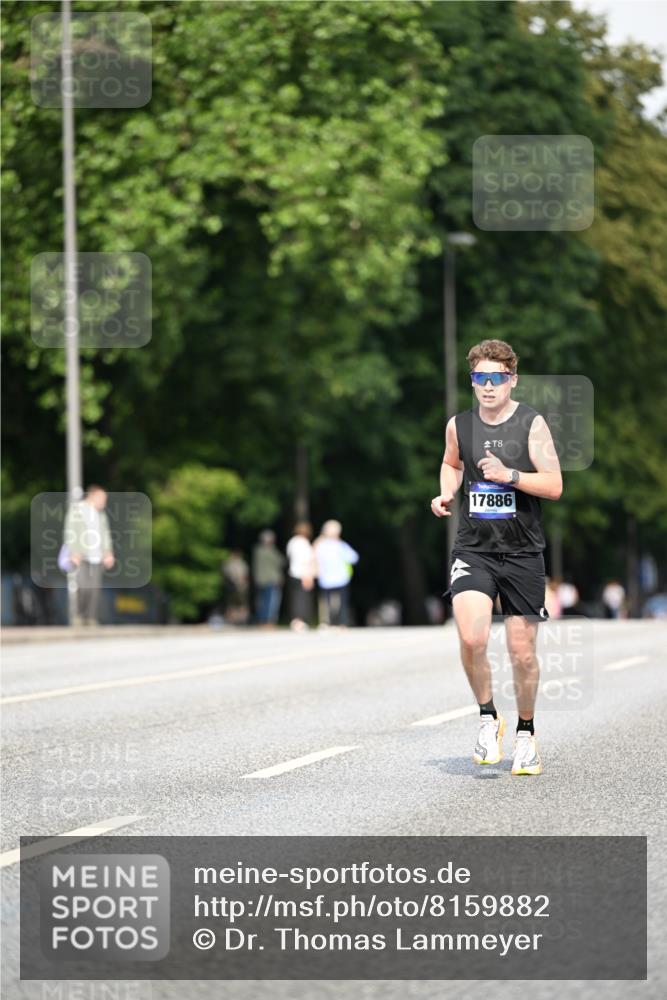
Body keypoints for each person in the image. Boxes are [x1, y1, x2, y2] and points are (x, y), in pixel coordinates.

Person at [431, 339, 562, 776]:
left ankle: (526, 732)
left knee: (521, 651)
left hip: (523, 551)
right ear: (472, 381)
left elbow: (554, 485)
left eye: (496, 378)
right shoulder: (459, 426)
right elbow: (451, 463)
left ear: (512, 379)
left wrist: (511, 476)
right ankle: (489, 718)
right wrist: (447, 491)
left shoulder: (531, 424)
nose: (487, 387)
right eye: (479, 379)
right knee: (472, 639)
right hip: (474, 548)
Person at [64, 484, 115, 626]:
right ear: (92, 496)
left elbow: (105, 534)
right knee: (83, 587)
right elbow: (70, 531)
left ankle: (91, 618)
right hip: (81, 555)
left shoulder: (101, 514)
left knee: (95, 588)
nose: (104, 502)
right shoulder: (77, 510)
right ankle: (79, 616)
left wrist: (108, 552)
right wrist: (73, 551)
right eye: (102, 499)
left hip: (97, 556)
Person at [313, 520, 359, 628]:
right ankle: (341, 623)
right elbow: (354, 558)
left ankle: (326, 622)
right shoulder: (341, 545)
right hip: (341, 578)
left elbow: (314, 559)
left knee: (326, 603)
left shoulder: (320, 545)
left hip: (326, 579)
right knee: (342, 602)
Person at [286, 522, 316, 631]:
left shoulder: (292, 542)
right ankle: (299, 621)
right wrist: (307, 576)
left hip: (293, 573)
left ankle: (295, 620)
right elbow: (305, 560)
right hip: (302, 573)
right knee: (301, 599)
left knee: (295, 598)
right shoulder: (303, 543)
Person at [251, 530, 286, 627]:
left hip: (260, 580)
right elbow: (281, 562)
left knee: (261, 602)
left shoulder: (257, 551)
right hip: (272, 580)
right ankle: (269, 621)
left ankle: (261, 620)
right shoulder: (272, 551)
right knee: (271, 602)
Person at [222, 550, 250, 624]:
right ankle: (232, 620)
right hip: (232, 587)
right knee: (232, 604)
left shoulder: (241, 563)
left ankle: (242, 619)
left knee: (241, 603)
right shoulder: (228, 564)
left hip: (240, 587)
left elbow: (245, 576)